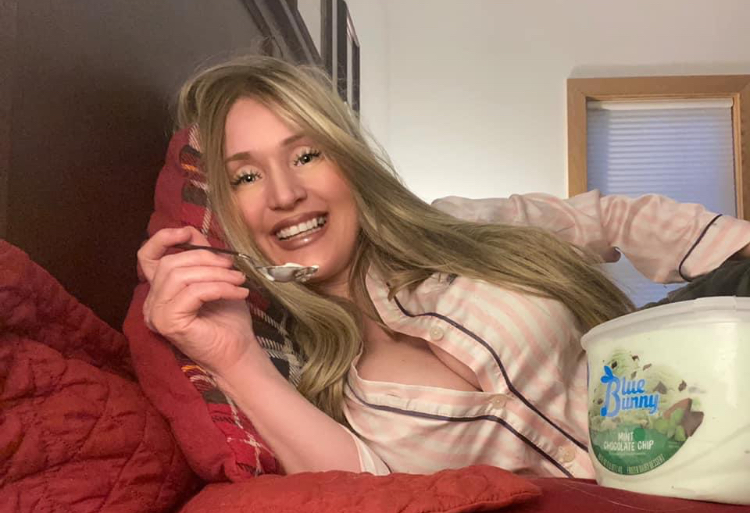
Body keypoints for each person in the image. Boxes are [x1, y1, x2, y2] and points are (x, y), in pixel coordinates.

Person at [137, 55, 750, 478]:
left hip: (712, 405)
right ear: (227, 214)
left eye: (306, 155)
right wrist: (234, 358)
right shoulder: (296, 370)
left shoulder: (456, 221)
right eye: (245, 176)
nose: (284, 193)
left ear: (348, 160)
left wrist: (731, 247)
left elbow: (608, 218)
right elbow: (367, 490)